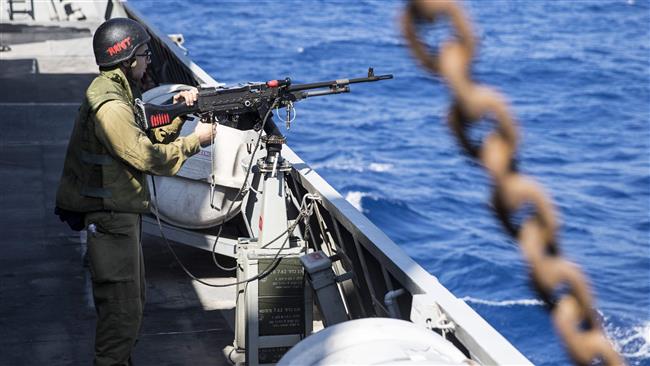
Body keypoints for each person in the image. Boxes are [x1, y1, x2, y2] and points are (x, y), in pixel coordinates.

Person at [55, 18, 214, 365]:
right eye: (143, 55)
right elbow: (143, 156)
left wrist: (179, 114)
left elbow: (141, 136)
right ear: (125, 59)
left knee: (131, 305)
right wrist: (194, 142)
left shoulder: (122, 92)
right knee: (121, 314)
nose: (148, 61)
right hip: (111, 221)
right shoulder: (111, 105)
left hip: (120, 217)